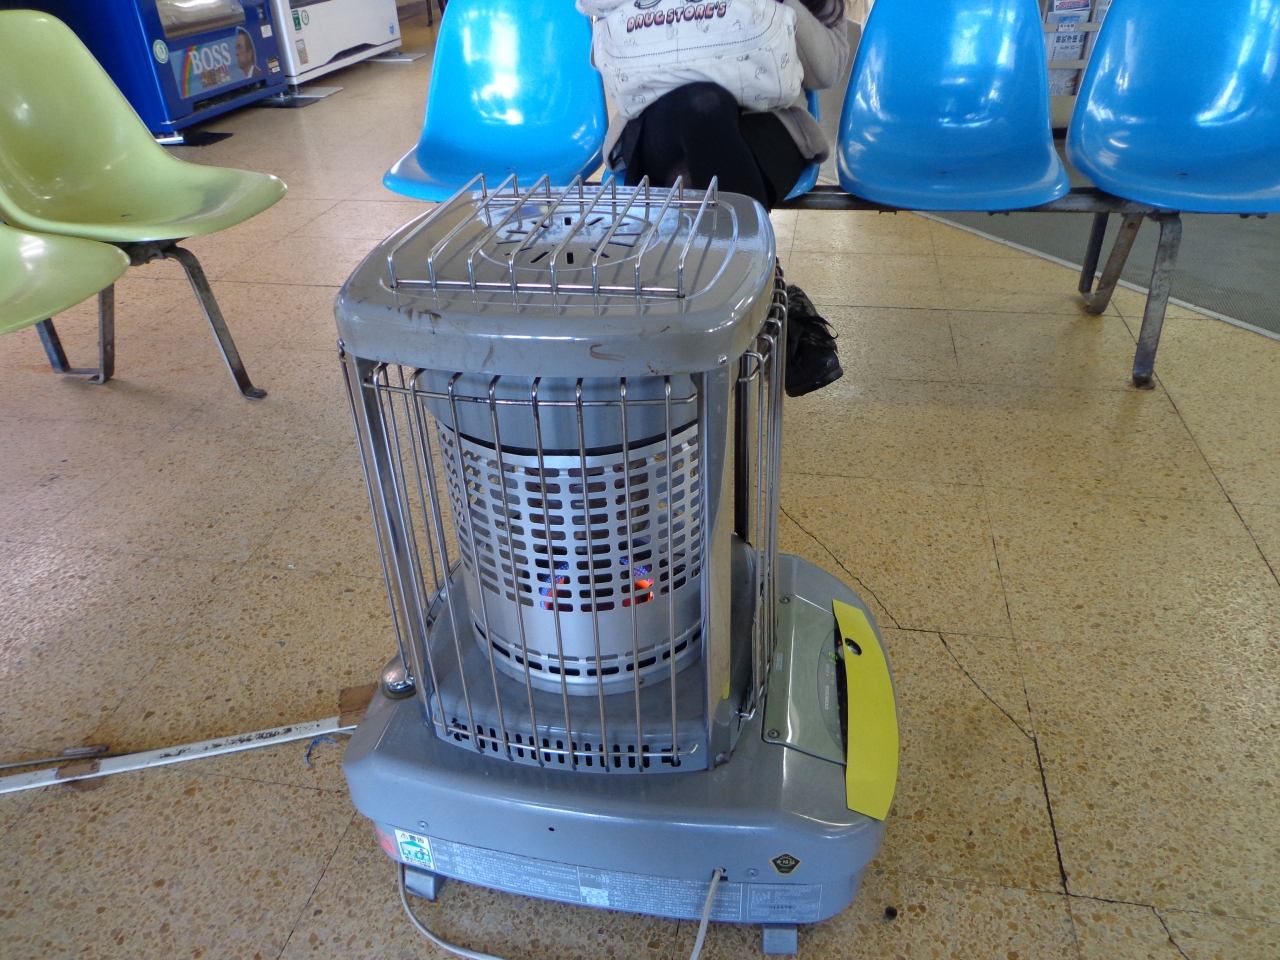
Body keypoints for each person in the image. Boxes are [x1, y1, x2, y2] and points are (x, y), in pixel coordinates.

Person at [580, 0, 849, 396]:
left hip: (768, 122)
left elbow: (827, 72)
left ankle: (705, 316)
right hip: (659, 122)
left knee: (699, 158)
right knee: (703, 105)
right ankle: (766, 301)